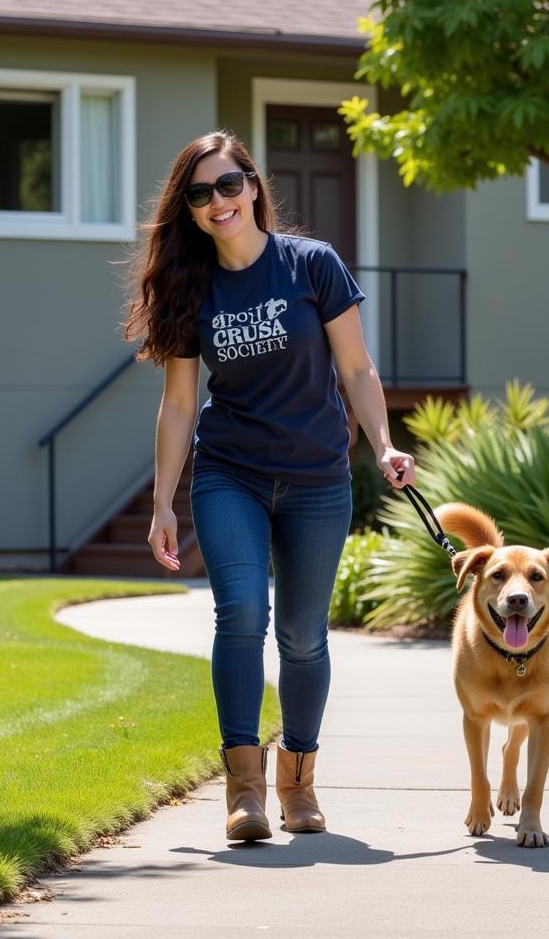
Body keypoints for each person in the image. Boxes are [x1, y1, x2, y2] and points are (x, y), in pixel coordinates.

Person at [124, 130, 415, 842]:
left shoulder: (311, 266)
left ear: (252, 187)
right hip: (232, 474)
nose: (217, 202)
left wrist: (383, 444)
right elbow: (181, 404)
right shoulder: (194, 289)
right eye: (200, 194)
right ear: (189, 210)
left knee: (303, 639)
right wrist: (163, 500)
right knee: (242, 615)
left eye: (228, 186)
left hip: (317, 477)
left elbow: (357, 369)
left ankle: (299, 781)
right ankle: (246, 791)